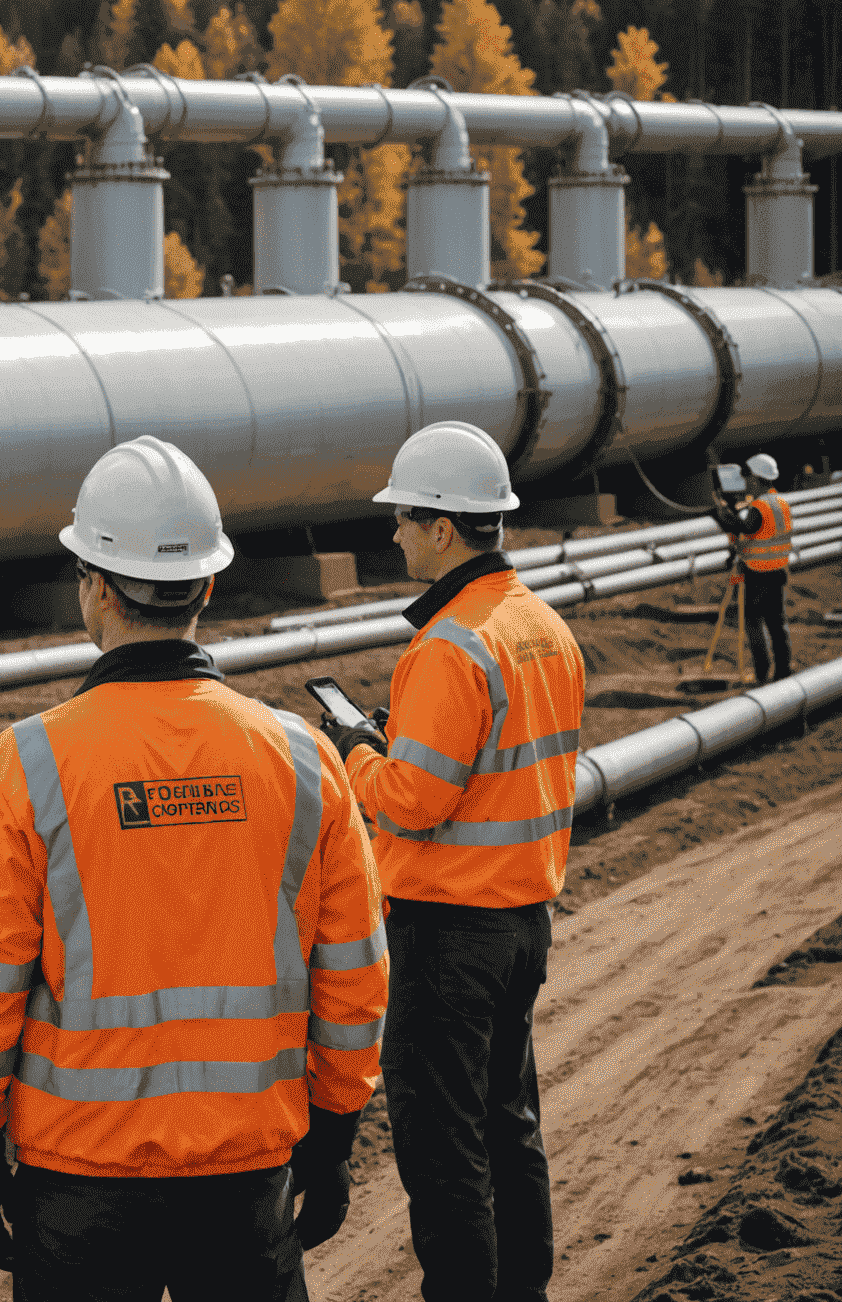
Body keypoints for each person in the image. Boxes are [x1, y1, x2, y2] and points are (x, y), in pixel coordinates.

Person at [0, 436, 388, 1302]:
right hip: (247, 1179)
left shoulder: (25, 765)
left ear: (94, 585)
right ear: (207, 588)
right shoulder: (303, 760)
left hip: (80, 1185)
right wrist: (334, 1138)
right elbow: (355, 974)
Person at [320, 421, 584, 1302]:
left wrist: (357, 751)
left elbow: (413, 801)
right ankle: (524, 1288)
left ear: (441, 526)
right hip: (522, 923)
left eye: (401, 519)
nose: (393, 534)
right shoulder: (541, 627)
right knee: (509, 1123)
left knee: (443, 1142)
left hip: (448, 933)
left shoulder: (448, 645)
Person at [711, 452, 793, 682]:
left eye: (748, 478)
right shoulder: (780, 502)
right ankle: (784, 671)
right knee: (777, 624)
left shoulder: (759, 507)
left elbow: (746, 528)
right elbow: (763, 533)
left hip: (757, 574)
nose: (746, 483)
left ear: (757, 479)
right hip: (777, 571)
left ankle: (761, 672)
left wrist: (722, 514)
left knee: (754, 622)